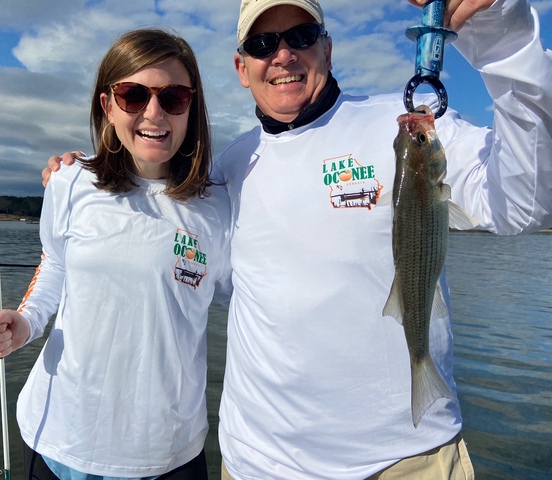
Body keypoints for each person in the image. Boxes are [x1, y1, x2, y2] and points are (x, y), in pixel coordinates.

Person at [45, 0, 552, 478]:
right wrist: (83, 176)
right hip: (257, 463)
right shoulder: (226, 171)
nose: (283, 54)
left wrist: (504, 37)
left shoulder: (406, 127)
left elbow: (524, 204)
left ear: (327, 49)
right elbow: (165, 246)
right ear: (242, 68)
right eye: (263, 45)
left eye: (301, 36)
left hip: (405, 460)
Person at [0, 29, 231, 480]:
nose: (154, 112)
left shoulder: (220, 206)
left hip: (168, 452)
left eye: (174, 97)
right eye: (133, 95)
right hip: (59, 436)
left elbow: (256, 299)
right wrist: (27, 322)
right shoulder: (70, 181)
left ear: (192, 108)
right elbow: (54, 264)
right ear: (107, 106)